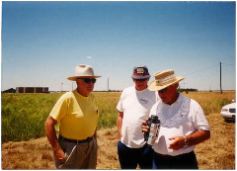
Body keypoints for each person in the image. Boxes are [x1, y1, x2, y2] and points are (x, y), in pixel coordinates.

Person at [142, 69, 210, 169]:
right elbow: (151, 136)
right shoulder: (155, 107)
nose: (160, 94)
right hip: (158, 161)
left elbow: (206, 133)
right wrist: (146, 131)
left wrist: (186, 140)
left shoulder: (192, 105)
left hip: (184, 162)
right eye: (158, 90)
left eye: (163, 89)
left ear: (176, 85)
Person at [45, 64, 101, 169]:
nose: (91, 83)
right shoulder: (67, 99)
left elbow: (92, 123)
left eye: (93, 80)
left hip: (91, 145)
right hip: (71, 147)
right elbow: (49, 123)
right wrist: (57, 149)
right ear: (77, 81)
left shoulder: (92, 98)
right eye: (87, 80)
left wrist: (94, 144)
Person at [116, 66, 157, 169]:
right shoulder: (126, 92)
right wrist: (121, 135)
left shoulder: (155, 94)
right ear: (132, 79)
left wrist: (151, 140)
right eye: (136, 79)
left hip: (146, 146)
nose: (139, 82)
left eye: (142, 79)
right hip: (125, 145)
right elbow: (120, 115)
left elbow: (158, 120)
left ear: (148, 78)